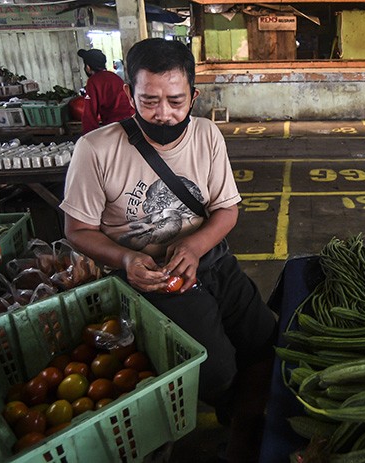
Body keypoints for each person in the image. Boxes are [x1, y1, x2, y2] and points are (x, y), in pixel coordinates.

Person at [60, 38, 276, 462]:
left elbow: (227, 211)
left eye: (176, 101)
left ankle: (243, 424)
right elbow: (77, 229)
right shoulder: (95, 149)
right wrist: (126, 258)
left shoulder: (207, 135)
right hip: (151, 279)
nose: (164, 114)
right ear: (128, 95)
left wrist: (194, 246)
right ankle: (231, 415)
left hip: (211, 259)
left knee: (264, 339)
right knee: (217, 369)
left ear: (193, 95)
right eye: (150, 101)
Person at [77, 48, 133, 134]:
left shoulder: (93, 81)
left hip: (115, 127)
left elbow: (89, 114)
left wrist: (88, 137)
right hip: (131, 123)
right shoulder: (114, 77)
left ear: (88, 67)